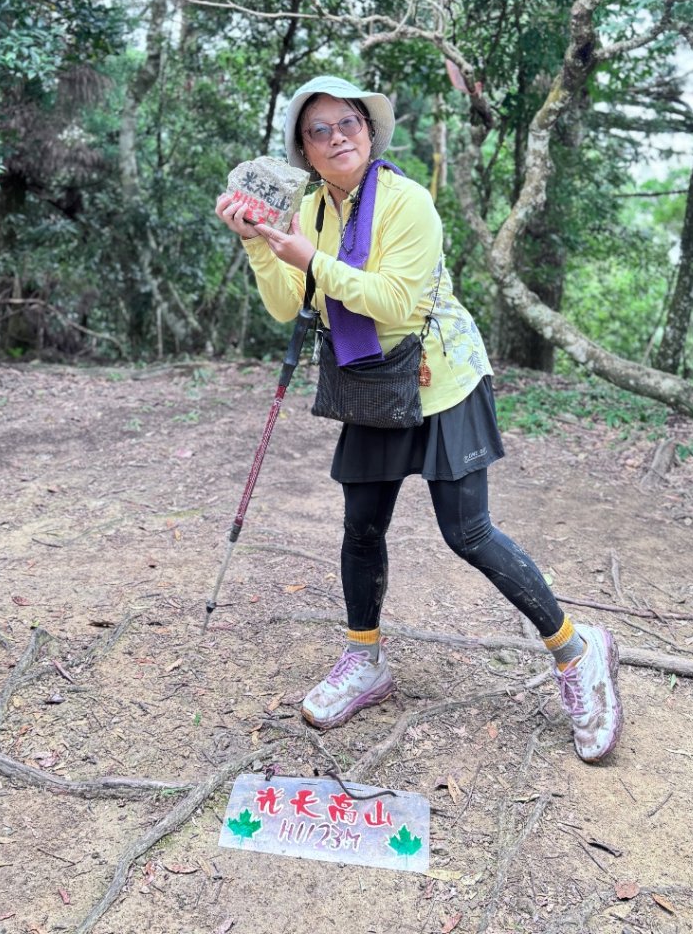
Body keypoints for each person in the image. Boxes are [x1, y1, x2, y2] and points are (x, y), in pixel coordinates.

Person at [215, 75, 623, 763]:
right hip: (371, 382)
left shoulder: (407, 203)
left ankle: (577, 652)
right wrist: (262, 243)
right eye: (319, 130)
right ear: (305, 150)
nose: (337, 136)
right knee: (361, 526)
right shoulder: (311, 211)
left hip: (442, 377)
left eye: (348, 122)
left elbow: (398, 304)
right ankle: (364, 660)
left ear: (369, 134)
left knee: (466, 532)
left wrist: (310, 259)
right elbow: (291, 304)